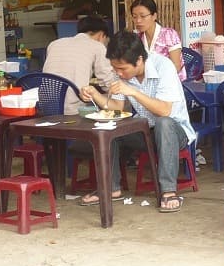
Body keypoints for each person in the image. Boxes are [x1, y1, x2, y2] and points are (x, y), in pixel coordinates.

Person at [79, 31, 196, 213]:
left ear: (139, 60)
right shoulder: (122, 73)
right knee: (112, 127)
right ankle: (111, 188)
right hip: (145, 130)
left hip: (174, 131)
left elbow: (165, 110)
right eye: (115, 68)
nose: (118, 73)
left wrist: (133, 92)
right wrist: (95, 95)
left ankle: (168, 191)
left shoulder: (163, 66)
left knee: (163, 123)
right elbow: (117, 107)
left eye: (123, 68)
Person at [43, 15, 114, 115]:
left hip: (47, 107)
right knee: (116, 101)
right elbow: (108, 84)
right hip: (74, 110)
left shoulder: (54, 44)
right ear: (101, 35)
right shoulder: (98, 46)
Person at [130, 0, 186, 81]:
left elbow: (176, 67)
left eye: (143, 16)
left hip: (170, 83)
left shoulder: (169, 34)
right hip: (146, 82)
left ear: (154, 16)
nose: (138, 21)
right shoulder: (136, 36)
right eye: (134, 17)